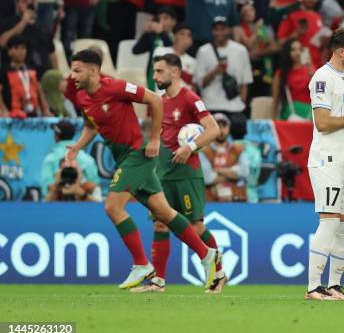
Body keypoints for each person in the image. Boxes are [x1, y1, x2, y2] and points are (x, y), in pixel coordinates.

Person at [64, 49, 216, 290]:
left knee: (113, 207)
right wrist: (77, 148)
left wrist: (154, 139)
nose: (71, 75)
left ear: (93, 70)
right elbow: (90, 126)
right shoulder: (83, 97)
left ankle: (141, 264)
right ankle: (207, 255)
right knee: (164, 214)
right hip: (123, 157)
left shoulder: (115, 87)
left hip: (137, 155)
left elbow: (154, 100)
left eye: (76, 70)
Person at [131, 53, 225, 294]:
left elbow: (213, 129)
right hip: (162, 174)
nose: (155, 76)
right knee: (160, 226)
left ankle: (219, 273)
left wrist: (190, 147)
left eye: (159, 71)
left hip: (186, 174)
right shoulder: (158, 102)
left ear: (174, 72)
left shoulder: (190, 99)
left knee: (195, 226)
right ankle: (158, 282)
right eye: (154, 72)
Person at [305, 28, 344, 300]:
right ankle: (313, 286)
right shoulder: (323, 77)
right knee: (329, 221)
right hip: (326, 159)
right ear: (341, 52)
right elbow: (323, 122)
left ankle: (334, 285)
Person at [195, 16, 253, 134]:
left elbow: (245, 81)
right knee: (209, 143)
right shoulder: (203, 51)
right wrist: (215, 72)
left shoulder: (241, 50)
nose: (219, 32)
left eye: (223, 29)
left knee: (238, 141)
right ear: (212, 31)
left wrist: (242, 104)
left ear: (229, 30)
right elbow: (199, 84)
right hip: (211, 106)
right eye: (216, 29)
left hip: (235, 107)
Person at [0, 0, 57, 76]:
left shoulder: (43, 26)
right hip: (17, 74)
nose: (29, 4)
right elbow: (2, 42)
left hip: (43, 73)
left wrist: (57, 74)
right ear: (18, 4)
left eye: (32, 1)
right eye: (24, 1)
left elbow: (52, 53)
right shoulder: (9, 23)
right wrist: (23, 22)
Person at [41, 119, 100, 201]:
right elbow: (96, 189)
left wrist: (79, 190)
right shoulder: (88, 160)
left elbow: (45, 191)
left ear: (56, 136)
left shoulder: (50, 160)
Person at [200, 113, 250, 202]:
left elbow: (245, 172)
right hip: (211, 202)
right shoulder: (203, 151)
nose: (221, 130)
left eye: (224, 126)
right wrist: (233, 172)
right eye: (217, 126)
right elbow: (207, 178)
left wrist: (216, 170)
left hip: (237, 200)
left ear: (229, 128)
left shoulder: (238, 148)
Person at [0, 35, 52, 118]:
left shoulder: (33, 70)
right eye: (17, 48)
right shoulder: (4, 71)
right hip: (12, 115)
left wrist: (45, 109)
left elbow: (39, 90)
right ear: (9, 51)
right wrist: (3, 110)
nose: (21, 52)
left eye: (23, 48)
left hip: (33, 113)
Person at [277, 0, 326, 68]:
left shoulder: (318, 16)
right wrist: (296, 34)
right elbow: (280, 43)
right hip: (298, 67)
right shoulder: (292, 14)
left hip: (317, 67)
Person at [132, 6, 177, 90]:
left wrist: (162, 33)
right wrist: (147, 33)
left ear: (173, 22)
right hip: (153, 74)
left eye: (165, 18)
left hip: (170, 76)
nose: (161, 22)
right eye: (159, 19)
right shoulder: (154, 36)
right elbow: (136, 50)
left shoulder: (176, 36)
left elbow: (171, 50)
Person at [272, 39, 313, 120]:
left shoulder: (310, 70)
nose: (297, 52)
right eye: (293, 50)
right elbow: (276, 98)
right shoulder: (281, 73)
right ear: (287, 52)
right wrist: (273, 119)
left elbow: (319, 92)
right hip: (290, 112)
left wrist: (310, 70)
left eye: (300, 49)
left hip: (309, 112)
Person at [153, 23, 197, 91]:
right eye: (182, 34)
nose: (185, 37)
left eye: (189, 35)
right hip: (163, 98)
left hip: (184, 100)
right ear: (174, 36)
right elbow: (161, 69)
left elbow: (192, 83)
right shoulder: (161, 50)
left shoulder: (193, 61)